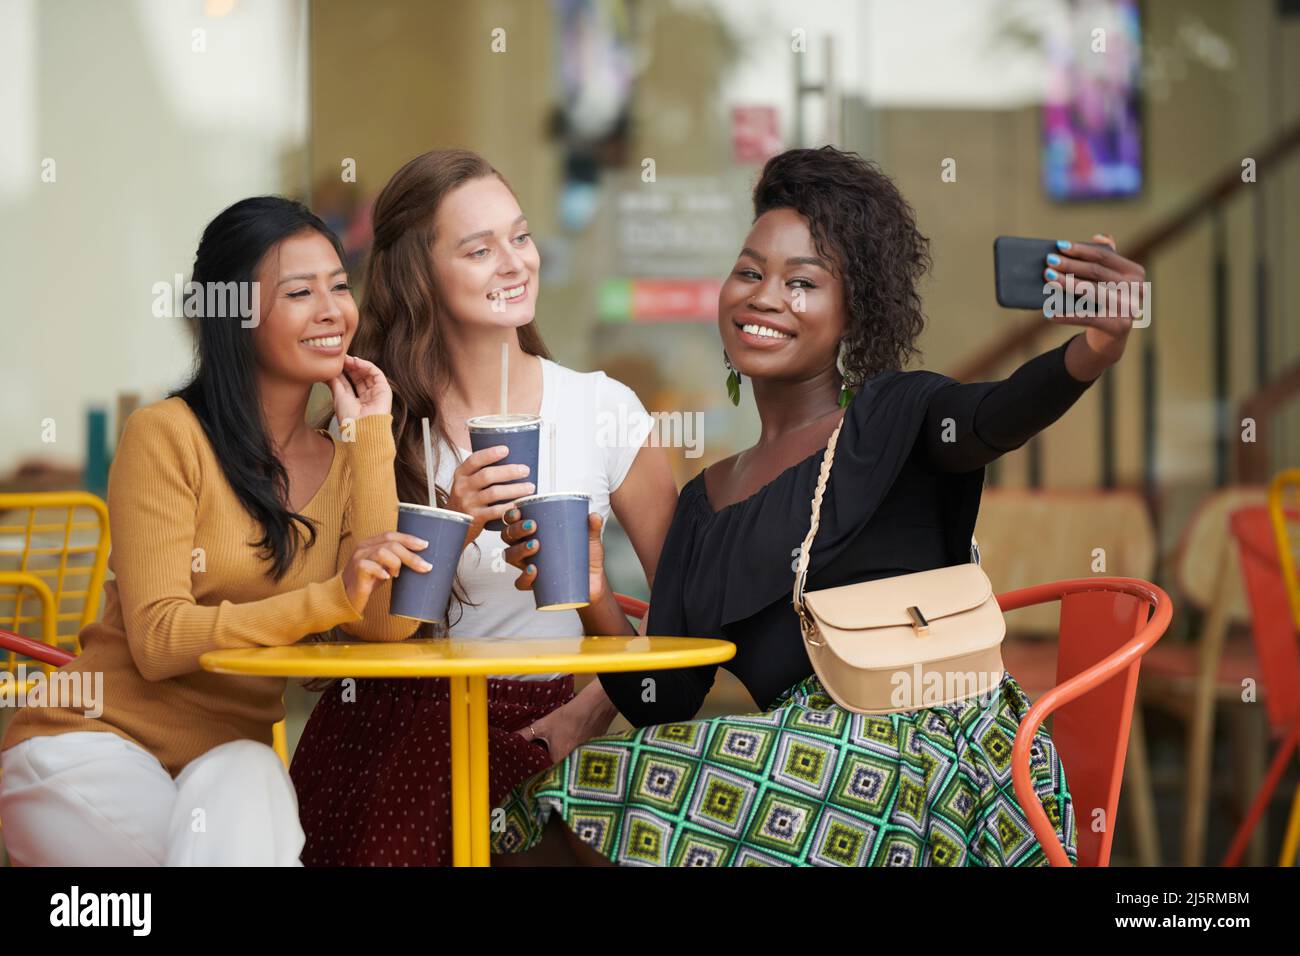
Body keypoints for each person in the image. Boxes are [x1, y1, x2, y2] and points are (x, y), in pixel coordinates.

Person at [492, 146, 1146, 867]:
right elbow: (662, 698)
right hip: (797, 774)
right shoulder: (702, 506)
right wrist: (589, 591)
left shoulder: (894, 418)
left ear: (852, 310)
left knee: (593, 792)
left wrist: (1092, 350)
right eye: (749, 272)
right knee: (548, 806)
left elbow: (996, 414)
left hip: (930, 753)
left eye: (803, 282)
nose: (765, 297)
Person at [0, 197, 427, 866]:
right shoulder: (166, 436)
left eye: (339, 285)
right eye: (298, 292)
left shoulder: (346, 456)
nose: (331, 310)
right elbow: (161, 640)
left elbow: (381, 625)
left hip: (227, 767)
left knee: (253, 776)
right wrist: (328, 599)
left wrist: (370, 436)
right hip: (90, 747)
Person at [290, 149, 677, 866]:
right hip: (402, 726)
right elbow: (357, 639)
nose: (513, 262)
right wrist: (451, 518)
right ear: (421, 276)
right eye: (478, 248)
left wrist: (590, 708)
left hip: (554, 720)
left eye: (520, 237)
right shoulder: (375, 422)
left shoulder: (602, 409)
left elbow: (686, 617)